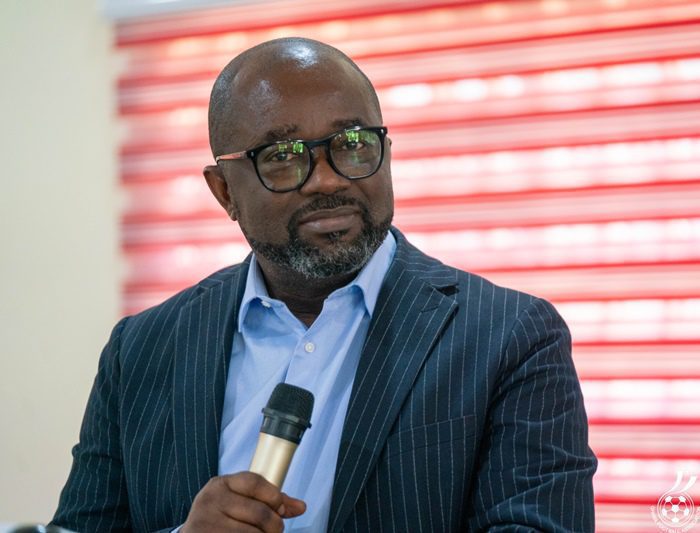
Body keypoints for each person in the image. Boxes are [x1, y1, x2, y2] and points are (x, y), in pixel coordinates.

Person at [52, 37, 597, 533]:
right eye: (283, 157)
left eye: (353, 143)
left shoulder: (510, 337)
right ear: (225, 193)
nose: (329, 178)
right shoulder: (141, 349)